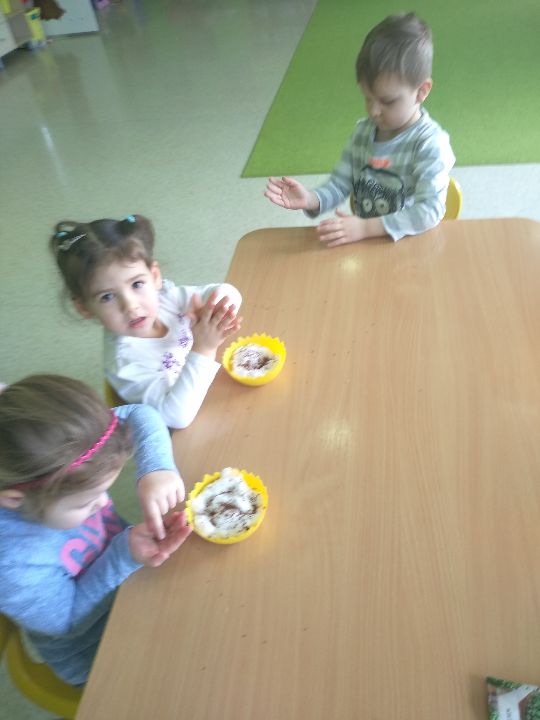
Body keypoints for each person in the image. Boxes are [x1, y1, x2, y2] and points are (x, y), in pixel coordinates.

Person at [0, 374, 191, 686]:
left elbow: (140, 414)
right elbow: (66, 621)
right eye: (85, 503)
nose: (103, 503)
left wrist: (156, 467)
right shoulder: (11, 563)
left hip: (134, 576)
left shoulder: (68, 447)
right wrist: (123, 555)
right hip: (97, 649)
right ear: (13, 500)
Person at [265, 12, 456, 247]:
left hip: (410, 246)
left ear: (421, 91)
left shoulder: (430, 143)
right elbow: (340, 184)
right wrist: (311, 199)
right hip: (369, 245)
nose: (374, 111)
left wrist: (366, 228)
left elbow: (429, 211)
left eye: (387, 101)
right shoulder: (363, 134)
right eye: (368, 98)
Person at [50, 214, 242, 429]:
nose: (131, 306)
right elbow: (176, 417)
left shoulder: (166, 296)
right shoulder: (125, 364)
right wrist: (204, 348)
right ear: (84, 308)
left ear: (155, 276)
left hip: (211, 384)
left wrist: (214, 307)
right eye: (107, 297)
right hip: (190, 424)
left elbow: (227, 291)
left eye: (137, 284)